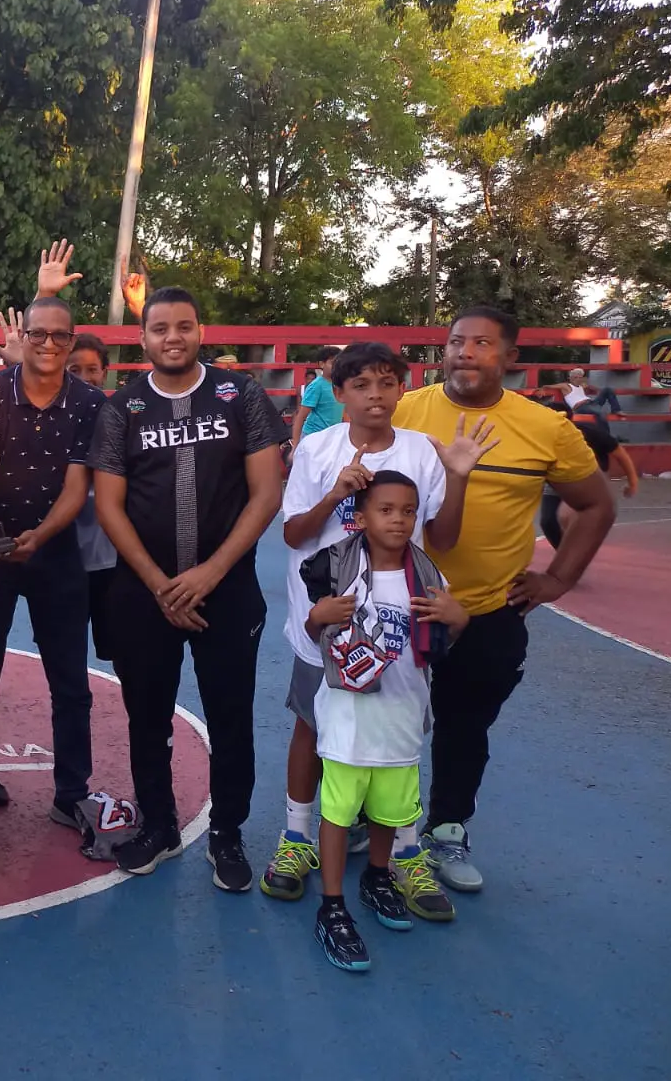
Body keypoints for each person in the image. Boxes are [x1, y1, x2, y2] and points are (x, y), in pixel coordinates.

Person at [261, 341, 496, 920]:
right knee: (310, 725)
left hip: (398, 623)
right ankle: (296, 836)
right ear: (337, 392)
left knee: (402, 732)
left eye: (387, 383)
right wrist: (337, 493)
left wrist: (460, 476)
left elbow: (440, 540)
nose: (375, 395)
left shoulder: (421, 452)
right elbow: (294, 535)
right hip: (328, 624)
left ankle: (405, 850)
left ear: (402, 389)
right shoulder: (316, 450)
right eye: (361, 384)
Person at [392, 306, 614, 892]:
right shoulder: (407, 411)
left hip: (489, 609)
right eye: (457, 342)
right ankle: (376, 822)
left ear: (510, 358)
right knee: (383, 718)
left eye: (482, 344)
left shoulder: (545, 428)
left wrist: (559, 578)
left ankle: (445, 828)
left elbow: (596, 505)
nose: (465, 352)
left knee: (465, 727)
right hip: (401, 604)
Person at [89, 286, 284, 892]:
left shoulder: (240, 395)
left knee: (230, 715)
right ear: (143, 338)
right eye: (159, 328)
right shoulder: (122, 409)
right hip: (143, 592)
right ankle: (159, 826)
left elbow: (266, 494)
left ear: (201, 331)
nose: (172, 337)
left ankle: (226, 831)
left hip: (225, 589)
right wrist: (157, 582)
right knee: (147, 717)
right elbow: (109, 504)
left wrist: (209, 573)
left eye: (184, 326)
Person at [0, 286, 105, 850]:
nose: (46, 344)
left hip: (57, 553)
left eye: (58, 336)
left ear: (70, 343)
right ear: (24, 338)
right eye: (36, 334)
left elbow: (76, 484)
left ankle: (72, 793)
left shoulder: (91, 405)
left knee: (70, 680)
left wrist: (40, 536)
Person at [301, 471, 470, 972]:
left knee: (392, 809)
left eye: (408, 511)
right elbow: (321, 640)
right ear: (364, 516)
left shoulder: (429, 576)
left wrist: (459, 620)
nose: (398, 519)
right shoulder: (338, 571)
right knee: (338, 811)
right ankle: (332, 905)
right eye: (386, 509)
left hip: (403, 712)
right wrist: (316, 617)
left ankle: (377, 875)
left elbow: (442, 646)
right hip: (349, 716)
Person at [67, 332, 118, 663]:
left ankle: (137, 716)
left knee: (119, 650)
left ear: (105, 372)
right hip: (66, 558)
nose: (85, 378)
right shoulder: (51, 420)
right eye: (75, 370)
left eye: (92, 370)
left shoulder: (118, 417)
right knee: (65, 653)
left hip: (110, 557)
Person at [539, 411, 638, 548]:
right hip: (556, 480)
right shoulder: (540, 437)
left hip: (587, 478)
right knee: (548, 522)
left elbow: (620, 454)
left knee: (569, 516)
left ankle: (575, 553)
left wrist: (633, 482)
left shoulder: (590, 433)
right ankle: (565, 553)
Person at [291, 346, 343, 445]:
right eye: (333, 363)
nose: (337, 366)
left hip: (333, 437)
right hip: (314, 437)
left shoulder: (340, 385)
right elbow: (301, 416)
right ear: (322, 364)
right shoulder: (316, 386)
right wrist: (295, 446)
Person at [544, 367, 622, 427]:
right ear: (570, 378)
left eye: (579, 377)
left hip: (591, 403)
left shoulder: (582, 386)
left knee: (607, 390)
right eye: (575, 377)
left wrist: (588, 387)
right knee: (600, 413)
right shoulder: (566, 386)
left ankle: (616, 410)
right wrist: (541, 389)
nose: (577, 379)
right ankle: (606, 437)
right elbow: (548, 386)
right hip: (581, 406)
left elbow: (597, 391)